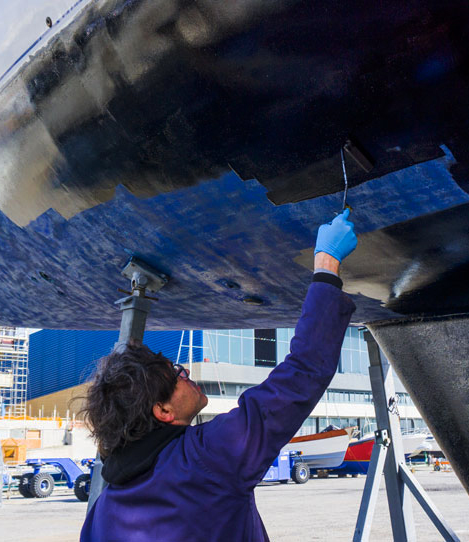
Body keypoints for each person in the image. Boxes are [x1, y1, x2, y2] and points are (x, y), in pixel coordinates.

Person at [79, 209, 357, 541]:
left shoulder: (103, 511)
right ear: (162, 411)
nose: (187, 375)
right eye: (177, 375)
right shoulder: (204, 458)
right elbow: (301, 374)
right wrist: (326, 266)